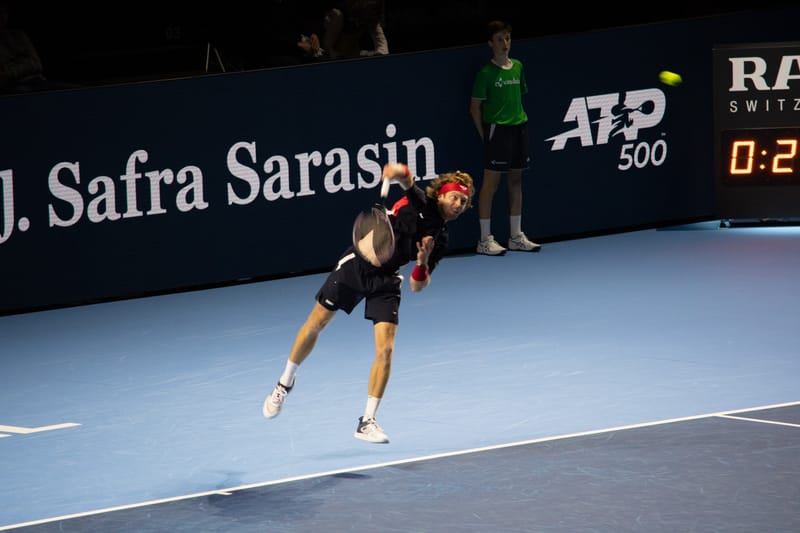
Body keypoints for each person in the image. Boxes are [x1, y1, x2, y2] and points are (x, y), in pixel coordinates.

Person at [262, 163, 475, 443]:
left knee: (385, 350)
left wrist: (422, 262)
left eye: (463, 200)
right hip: (358, 265)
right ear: (441, 196)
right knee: (316, 324)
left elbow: (417, 285)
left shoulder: (441, 238)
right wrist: (393, 171)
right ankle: (284, 383)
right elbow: (406, 176)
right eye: (454, 197)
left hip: (387, 279)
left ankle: (367, 421)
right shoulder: (422, 202)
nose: (458, 204)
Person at [469, 20, 540, 256]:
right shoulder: (485, 74)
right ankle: (484, 240)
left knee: (516, 182)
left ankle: (515, 236)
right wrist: (485, 135)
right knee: (491, 185)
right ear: (490, 44)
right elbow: (475, 108)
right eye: (499, 39)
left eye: (507, 38)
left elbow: (519, 96)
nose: (504, 43)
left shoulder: (518, 66)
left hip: (519, 128)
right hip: (497, 131)